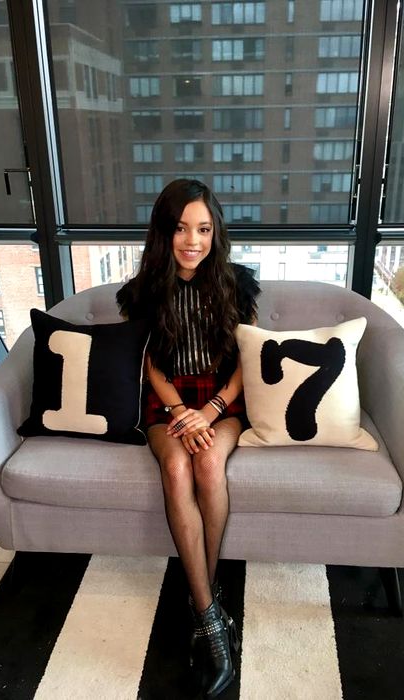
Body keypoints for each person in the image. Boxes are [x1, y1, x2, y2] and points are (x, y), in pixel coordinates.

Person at [117, 178, 260, 698]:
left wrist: (212, 409)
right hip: (168, 402)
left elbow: (247, 359)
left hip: (223, 400)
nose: (192, 241)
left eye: (202, 229)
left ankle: (203, 601)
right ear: (164, 232)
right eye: (180, 229)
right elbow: (150, 364)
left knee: (207, 464)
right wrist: (180, 410)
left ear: (215, 232)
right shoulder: (143, 291)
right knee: (176, 466)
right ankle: (212, 616)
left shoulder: (238, 285)